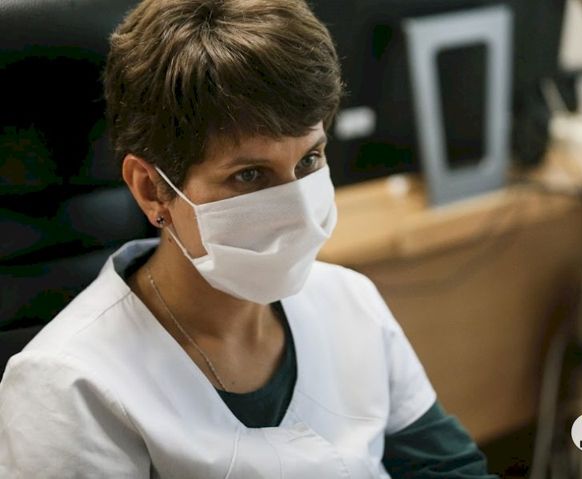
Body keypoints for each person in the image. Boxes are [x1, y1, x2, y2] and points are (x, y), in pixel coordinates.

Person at [0, 0, 497, 477]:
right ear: (152, 190)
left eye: (309, 159)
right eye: (250, 175)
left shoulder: (349, 300)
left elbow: (448, 468)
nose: (298, 208)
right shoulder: (68, 386)